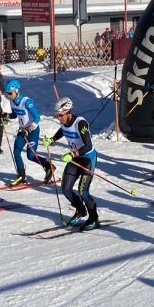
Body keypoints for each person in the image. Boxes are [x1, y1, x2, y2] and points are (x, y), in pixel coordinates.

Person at [42, 98, 100, 229]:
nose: (59, 118)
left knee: (83, 191)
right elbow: (63, 130)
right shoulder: (64, 122)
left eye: (61, 115)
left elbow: (88, 145)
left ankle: (94, 218)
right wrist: (52, 140)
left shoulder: (81, 123)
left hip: (88, 158)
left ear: (68, 112)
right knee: (66, 189)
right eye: (57, 115)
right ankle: (80, 210)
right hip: (75, 158)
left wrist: (72, 154)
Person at [5, 79, 55, 187]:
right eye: (7, 93)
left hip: (32, 131)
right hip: (22, 130)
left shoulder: (26, 102)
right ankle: (21, 176)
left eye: (10, 93)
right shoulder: (12, 101)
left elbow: (37, 117)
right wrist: (6, 115)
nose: (8, 95)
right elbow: (14, 114)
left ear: (17, 91)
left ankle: (48, 166)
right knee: (16, 151)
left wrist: (29, 129)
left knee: (31, 156)